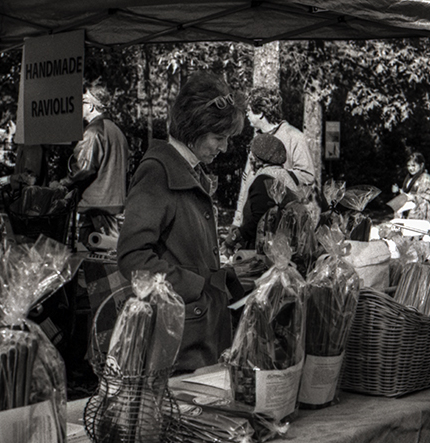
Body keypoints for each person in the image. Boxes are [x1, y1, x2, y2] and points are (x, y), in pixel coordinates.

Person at [117, 71, 246, 371]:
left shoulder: (187, 169)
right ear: (194, 129)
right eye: (219, 138)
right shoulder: (158, 172)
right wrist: (195, 285)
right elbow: (133, 257)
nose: (224, 148)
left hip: (195, 329)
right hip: (178, 335)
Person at [231, 86, 316, 229]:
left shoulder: (294, 137)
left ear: (261, 113)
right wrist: (237, 221)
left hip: (281, 226)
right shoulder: (258, 140)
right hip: (251, 224)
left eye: (249, 110)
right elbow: (246, 181)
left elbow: (307, 175)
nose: (246, 115)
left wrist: (276, 176)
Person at [56, 84, 130, 242]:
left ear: (91, 106)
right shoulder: (116, 130)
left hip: (97, 206)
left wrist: (63, 183)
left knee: (102, 251)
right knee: (105, 251)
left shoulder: (93, 131)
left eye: (83, 101)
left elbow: (83, 167)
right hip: (112, 203)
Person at [222, 133, 303, 254]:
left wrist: (233, 238)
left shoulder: (263, 180)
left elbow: (259, 220)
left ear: (256, 158)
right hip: (286, 248)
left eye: (251, 153)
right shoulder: (287, 176)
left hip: (265, 252)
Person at [391, 152, 430, 228]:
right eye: (408, 166)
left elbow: (427, 197)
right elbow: (408, 193)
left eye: (413, 165)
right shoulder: (409, 178)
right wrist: (398, 191)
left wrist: (412, 197)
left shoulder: (425, 178)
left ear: (421, 165)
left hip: (422, 209)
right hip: (410, 205)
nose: (410, 168)